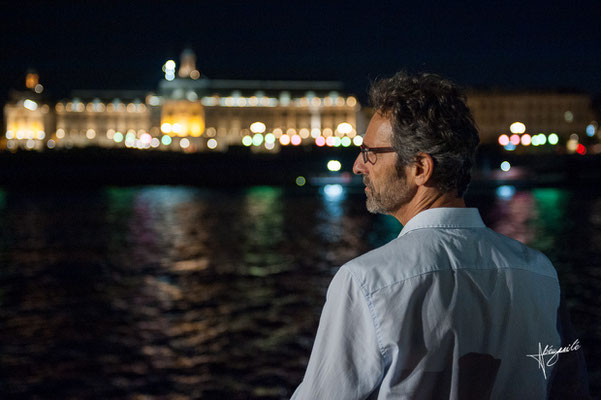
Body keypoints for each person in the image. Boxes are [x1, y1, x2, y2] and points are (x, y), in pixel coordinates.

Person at [291, 72, 590, 399]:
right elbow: (569, 386)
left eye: (370, 152)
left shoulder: (365, 282)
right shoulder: (540, 272)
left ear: (420, 167)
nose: (360, 165)